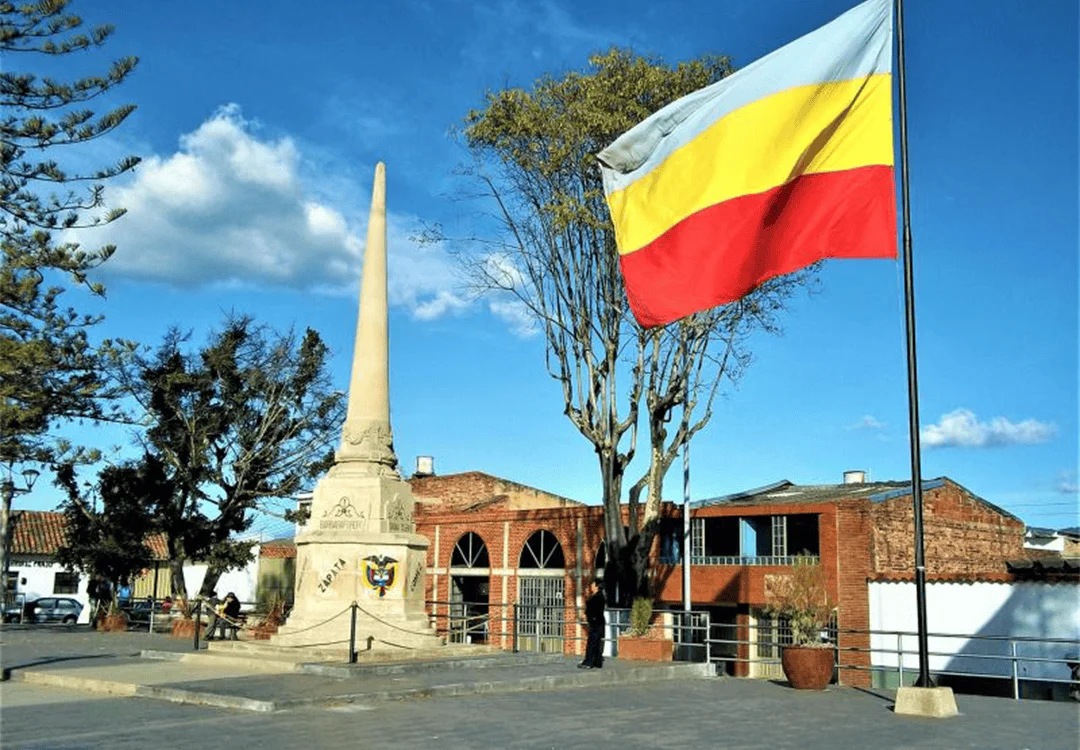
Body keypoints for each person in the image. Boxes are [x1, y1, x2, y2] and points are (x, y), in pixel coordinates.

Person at [579, 580, 606, 669]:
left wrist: (588, 615)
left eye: (593, 585)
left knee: (592, 642)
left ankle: (589, 662)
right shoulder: (597, 596)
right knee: (596, 642)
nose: (591, 586)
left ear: (597, 586)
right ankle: (596, 661)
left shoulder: (598, 597)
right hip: (596, 622)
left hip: (596, 623)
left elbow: (594, 610)